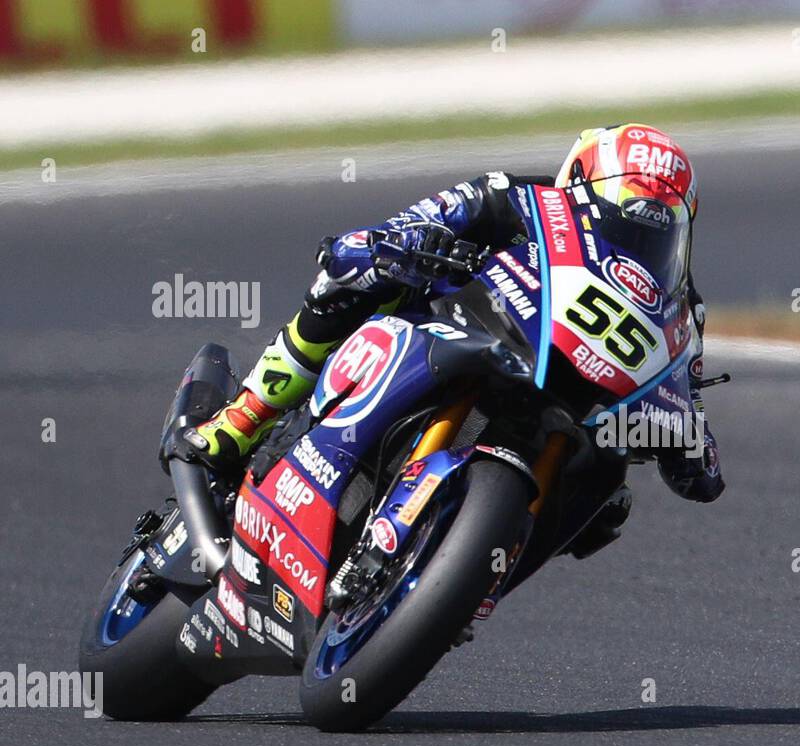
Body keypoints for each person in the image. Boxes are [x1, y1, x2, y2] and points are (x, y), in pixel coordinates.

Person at [183, 123, 723, 504]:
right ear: (578, 187)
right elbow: (412, 222)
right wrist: (389, 245)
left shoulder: (681, 307)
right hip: (461, 321)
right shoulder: (513, 196)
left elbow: (690, 402)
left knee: (610, 495)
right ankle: (247, 415)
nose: (631, 244)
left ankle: (470, 565)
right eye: (623, 223)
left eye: (653, 233)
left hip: (567, 399)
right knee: (358, 280)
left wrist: (691, 446)